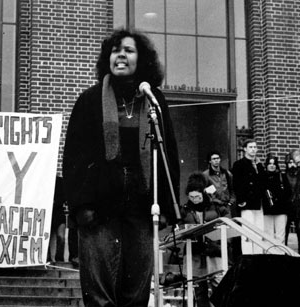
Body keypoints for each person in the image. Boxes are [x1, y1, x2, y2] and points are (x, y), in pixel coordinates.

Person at [62, 28, 180, 307]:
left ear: (143, 59)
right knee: (100, 294)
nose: (121, 56)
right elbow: (74, 157)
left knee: (136, 292)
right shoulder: (90, 100)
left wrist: (164, 203)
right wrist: (81, 205)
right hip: (99, 210)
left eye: (128, 50)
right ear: (108, 58)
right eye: (116, 50)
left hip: (140, 208)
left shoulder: (154, 100)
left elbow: (168, 154)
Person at [180, 172, 231, 307]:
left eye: (197, 196)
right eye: (191, 197)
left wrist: (223, 241)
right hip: (194, 253)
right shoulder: (185, 210)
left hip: (213, 250)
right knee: (198, 289)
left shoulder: (216, 206)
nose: (194, 200)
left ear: (203, 193)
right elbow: (179, 227)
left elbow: (228, 220)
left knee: (219, 286)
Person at [231, 139, 266, 254]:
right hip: (246, 203)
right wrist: (241, 200)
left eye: (255, 147)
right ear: (245, 149)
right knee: (247, 232)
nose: (253, 149)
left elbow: (262, 183)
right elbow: (236, 184)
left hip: (258, 203)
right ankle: (247, 257)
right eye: (250, 147)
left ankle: (258, 256)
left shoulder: (259, 165)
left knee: (259, 231)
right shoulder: (239, 164)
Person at [263, 154, 292, 250]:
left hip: (281, 209)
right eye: (270, 164)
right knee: (268, 235)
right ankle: (269, 254)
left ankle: (280, 255)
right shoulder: (263, 177)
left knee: (280, 235)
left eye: (274, 164)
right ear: (266, 165)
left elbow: (288, 192)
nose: (272, 165)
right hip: (268, 210)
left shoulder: (282, 177)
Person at [282, 151, 299, 245]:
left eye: (293, 163)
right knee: (285, 231)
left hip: (298, 206)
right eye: (289, 163)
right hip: (286, 206)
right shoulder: (283, 176)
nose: (292, 165)